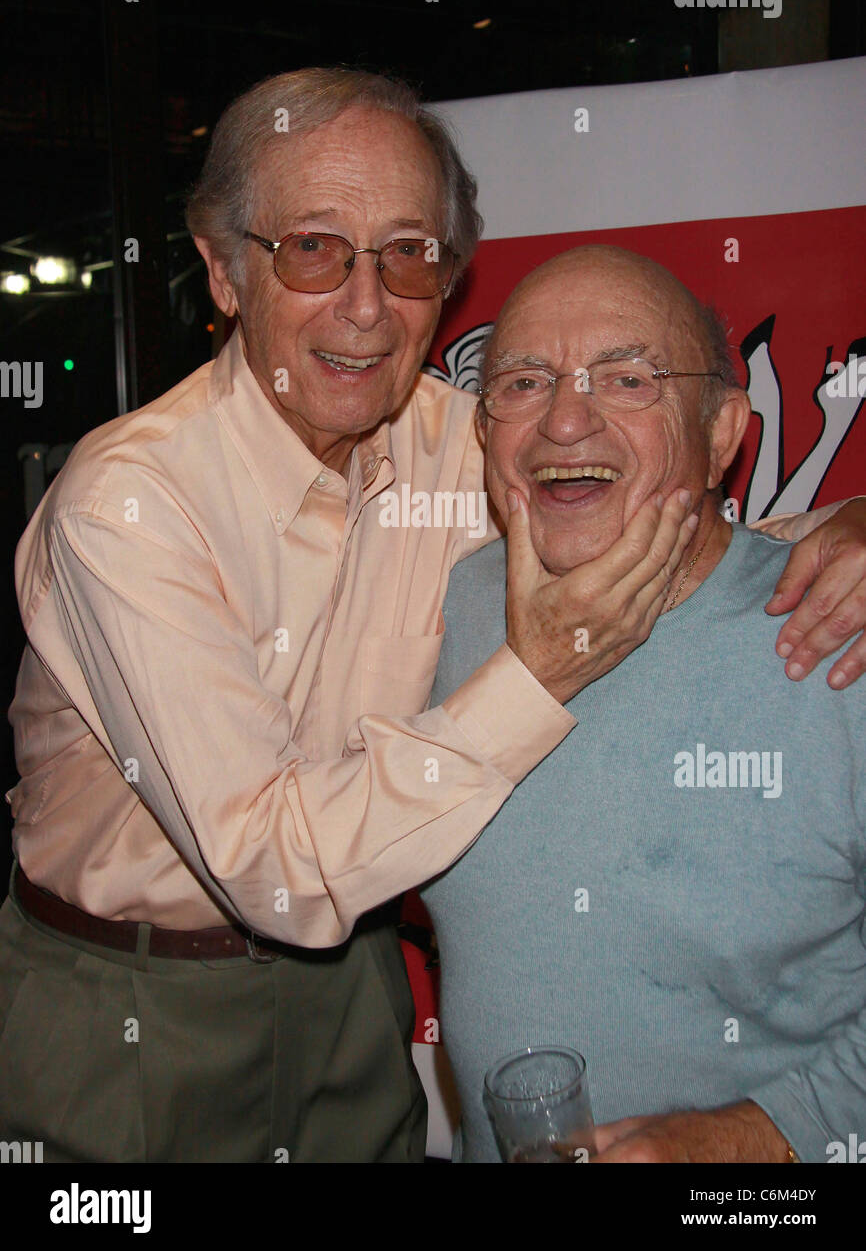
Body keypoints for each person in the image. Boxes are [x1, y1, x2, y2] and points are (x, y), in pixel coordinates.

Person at [0, 71, 863, 1164]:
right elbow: (274, 868)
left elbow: (635, 463)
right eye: (314, 247)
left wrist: (855, 521)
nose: (365, 305)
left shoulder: (459, 434)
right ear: (221, 269)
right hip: (127, 1005)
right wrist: (540, 668)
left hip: (348, 987)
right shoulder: (127, 503)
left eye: (406, 253)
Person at [421, 244, 866, 1163]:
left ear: (720, 434)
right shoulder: (434, 615)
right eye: (524, 381)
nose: (565, 421)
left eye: (627, 379)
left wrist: (754, 1142)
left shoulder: (840, 631)